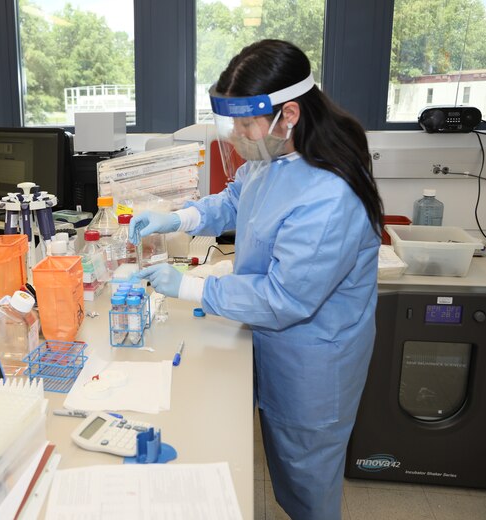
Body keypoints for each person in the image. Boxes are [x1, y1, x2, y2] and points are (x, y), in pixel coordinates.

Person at [129, 39, 383, 520]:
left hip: (313, 362)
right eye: (234, 124)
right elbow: (233, 199)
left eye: (247, 124)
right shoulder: (274, 159)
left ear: (290, 114)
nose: (238, 136)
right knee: (286, 470)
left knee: (308, 484)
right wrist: (178, 218)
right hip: (271, 342)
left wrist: (189, 287)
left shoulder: (330, 193)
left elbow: (285, 297)